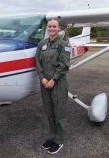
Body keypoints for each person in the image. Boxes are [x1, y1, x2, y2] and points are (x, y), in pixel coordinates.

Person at [35, 18, 71, 154]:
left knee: (59, 113)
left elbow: (65, 65)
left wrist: (53, 80)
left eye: (54, 26)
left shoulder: (64, 44)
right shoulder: (42, 44)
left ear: (59, 28)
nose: (51, 29)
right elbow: (37, 62)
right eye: (49, 26)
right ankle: (52, 136)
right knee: (49, 111)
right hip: (44, 82)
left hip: (58, 83)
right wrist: (42, 77)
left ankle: (59, 140)